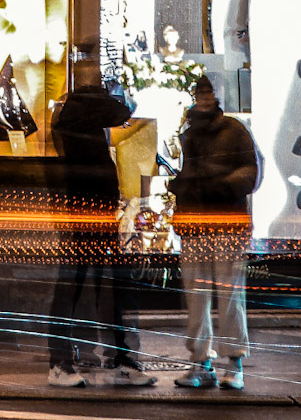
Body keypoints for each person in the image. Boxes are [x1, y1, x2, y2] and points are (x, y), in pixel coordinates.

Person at [46, 42, 155, 390]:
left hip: (96, 209)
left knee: (106, 285)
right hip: (82, 212)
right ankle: (64, 361)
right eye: (93, 76)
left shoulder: (78, 111)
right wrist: (97, 88)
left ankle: (115, 357)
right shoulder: (74, 110)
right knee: (81, 285)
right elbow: (120, 110)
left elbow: (119, 111)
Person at [172, 74, 258, 393]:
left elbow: (249, 173)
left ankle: (231, 363)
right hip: (197, 222)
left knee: (229, 296)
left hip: (225, 223)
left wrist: (217, 184)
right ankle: (202, 361)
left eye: (208, 92)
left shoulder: (233, 130)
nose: (204, 97)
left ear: (217, 95)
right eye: (199, 92)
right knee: (198, 297)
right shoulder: (191, 133)